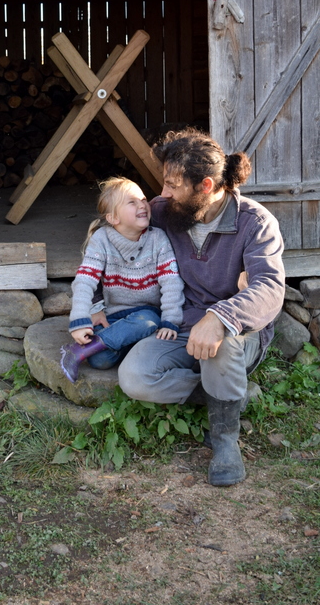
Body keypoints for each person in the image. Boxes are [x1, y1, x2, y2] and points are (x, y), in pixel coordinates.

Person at [116, 128, 286, 487]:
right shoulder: (167, 212)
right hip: (181, 323)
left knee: (221, 351)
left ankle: (225, 441)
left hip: (237, 333)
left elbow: (269, 288)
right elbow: (114, 239)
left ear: (205, 186)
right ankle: (230, 394)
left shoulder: (255, 223)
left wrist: (221, 317)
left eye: (173, 184)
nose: (162, 194)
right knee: (134, 377)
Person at [60, 176, 185, 383]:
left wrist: (171, 320)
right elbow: (85, 279)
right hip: (113, 316)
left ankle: (80, 351)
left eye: (143, 199)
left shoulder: (158, 239)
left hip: (148, 315)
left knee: (147, 322)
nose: (142, 205)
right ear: (113, 218)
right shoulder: (101, 239)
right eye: (132, 202)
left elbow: (171, 282)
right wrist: (82, 317)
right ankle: (98, 346)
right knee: (100, 360)